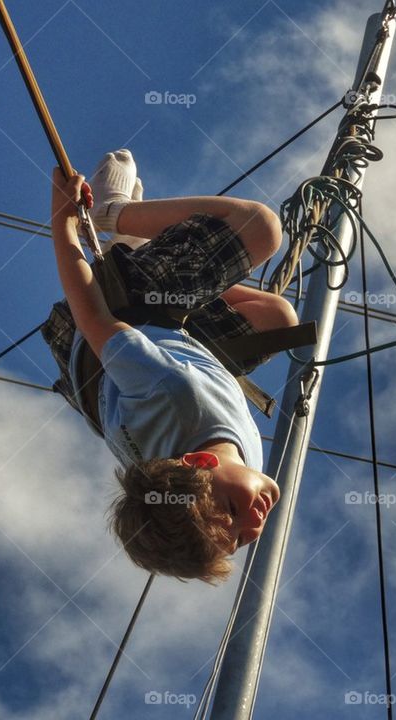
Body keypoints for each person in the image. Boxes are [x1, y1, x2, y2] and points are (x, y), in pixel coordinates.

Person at [42, 150, 297, 583]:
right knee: (277, 318)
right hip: (139, 361)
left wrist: (63, 219)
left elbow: (93, 317)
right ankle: (140, 251)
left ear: (200, 462)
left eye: (234, 512)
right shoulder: (229, 468)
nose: (253, 522)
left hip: (110, 318)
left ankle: (112, 216)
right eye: (239, 539)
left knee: (260, 229)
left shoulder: (172, 395)